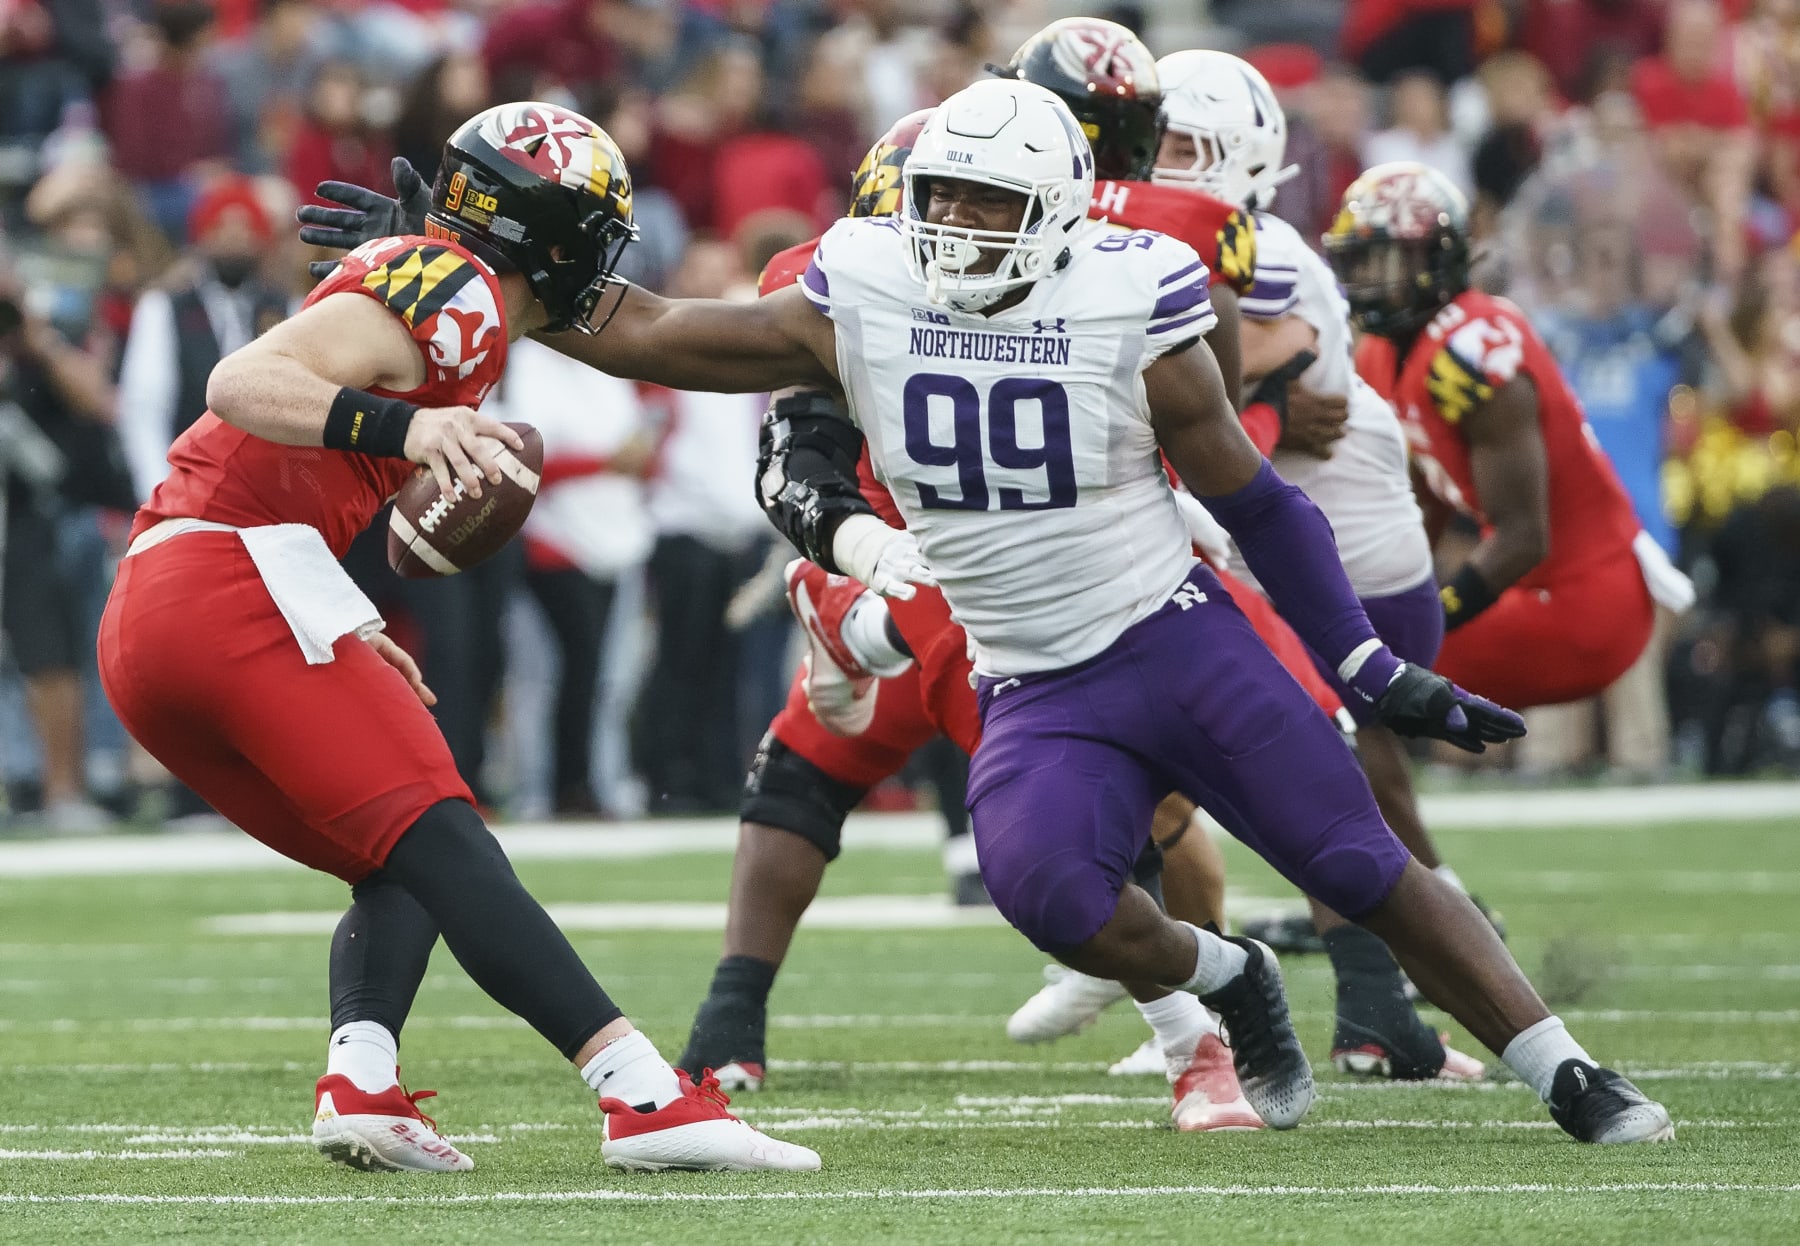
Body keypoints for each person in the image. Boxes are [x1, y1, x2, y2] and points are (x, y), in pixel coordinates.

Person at [296, 79, 1673, 1147]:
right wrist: (451, 262)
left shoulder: (1131, 298)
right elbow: (651, 330)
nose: (954, 226)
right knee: (1048, 892)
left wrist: (1367, 659)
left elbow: (1255, 500)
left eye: (985, 204)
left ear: (1065, 208)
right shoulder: (864, 285)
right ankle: (1230, 976)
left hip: (1167, 627)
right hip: (1029, 672)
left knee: (1360, 858)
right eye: (940, 197)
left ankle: (1569, 1072)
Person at [98, 101, 818, 1175]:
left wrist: (341, 616)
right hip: (227, 579)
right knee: (444, 837)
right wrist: (414, 422)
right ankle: (643, 1094)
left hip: (177, 608)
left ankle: (363, 1080)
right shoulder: (456, 285)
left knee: (407, 856)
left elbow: (638, 336)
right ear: (556, 235)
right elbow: (237, 383)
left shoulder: (452, 287)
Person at [1131, 47, 1484, 1083]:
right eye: (1160, 145)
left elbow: (1211, 400)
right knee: (1209, 774)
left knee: (1321, 788)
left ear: (1246, 160)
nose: (1171, 166)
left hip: (1349, 565)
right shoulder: (1155, 250)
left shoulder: (1261, 253)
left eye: (1194, 148)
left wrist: (1269, 403)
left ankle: (1358, 1005)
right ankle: (1360, 1007)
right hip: (1286, 546)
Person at [1336, 163, 1695, 714]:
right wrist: (1389, 590)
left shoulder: (1472, 351)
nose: (1367, 277)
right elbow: (1421, 498)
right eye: (1359, 260)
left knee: (1362, 669)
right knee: (1354, 656)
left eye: (1384, 259)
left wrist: (1431, 612)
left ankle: (1355, 803)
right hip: (1534, 584)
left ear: (1436, 259)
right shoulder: (1383, 353)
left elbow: (1525, 537)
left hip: (1589, 597)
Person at [117, 176, 290, 504]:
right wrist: (158, 490)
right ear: (202, 237)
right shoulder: (165, 308)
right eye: (222, 229)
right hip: (183, 482)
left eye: (245, 230)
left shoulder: (286, 310)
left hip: (266, 492)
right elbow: (145, 406)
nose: (234, 240)